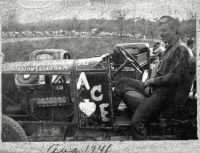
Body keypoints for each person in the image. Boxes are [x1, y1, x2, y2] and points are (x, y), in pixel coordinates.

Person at [114, 16, 196, 140]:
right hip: (158, 89)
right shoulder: (171, 48)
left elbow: (175, 77)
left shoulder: (181, 49)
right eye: (160, 31)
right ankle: (107, 118)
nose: (161, 34)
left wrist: (152, 82)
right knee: (122, 82)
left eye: (164, 30)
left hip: (164, 95)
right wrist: (151, 83)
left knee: (137, 123)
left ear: (175, 31)